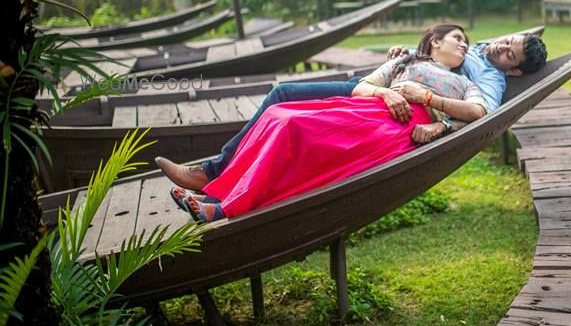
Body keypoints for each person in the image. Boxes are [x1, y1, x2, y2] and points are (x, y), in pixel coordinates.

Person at [169, 24, 509, 222]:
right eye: (457, 39)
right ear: (436, 41)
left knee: (291, 129)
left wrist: (430, 101)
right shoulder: (405, 59)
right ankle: (217, 193)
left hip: (399, 125)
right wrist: (386, 94)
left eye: (466, 42)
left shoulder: (467, 84)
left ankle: (223, 207)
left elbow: (479, 113)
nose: (464, 46)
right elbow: (365, 85)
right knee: (277, 114)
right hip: (370, 109)